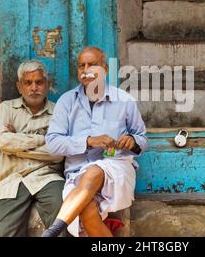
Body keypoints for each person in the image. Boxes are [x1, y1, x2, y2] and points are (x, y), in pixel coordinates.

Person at [42, 46, 147, 237]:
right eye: (82, 66)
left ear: (105, 69)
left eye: (92, 65)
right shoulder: (66, 102)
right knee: (86, 210)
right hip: (76, 173)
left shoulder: (124, 100)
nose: (86, 70)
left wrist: (131, 141)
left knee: (94, 171)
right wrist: (89, 141)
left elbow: (142, 138)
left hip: (116, 169)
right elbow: (53, 144)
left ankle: (52, 231)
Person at [0, 60, 65, 237]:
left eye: (39, 82)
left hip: (47, 177)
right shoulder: (6, 109)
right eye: (28, 83)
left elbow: (58, 153)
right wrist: (43, 139)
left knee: (63, 222)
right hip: (12, 179)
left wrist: (16, 145)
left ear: (47, 85)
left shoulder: (59, 112)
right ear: (19, 86)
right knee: (5, 233)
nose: (34, 88)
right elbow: (3, 142)